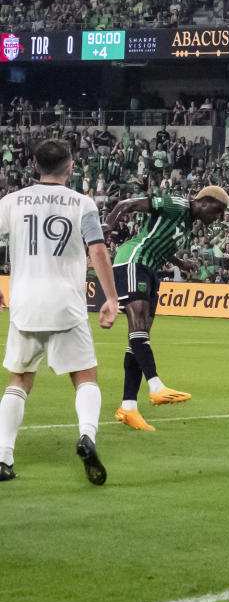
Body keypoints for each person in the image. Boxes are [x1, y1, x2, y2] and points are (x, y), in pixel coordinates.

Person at [0, 139, 120, 484]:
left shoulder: (11, 201)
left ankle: (4, 457)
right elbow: (97, 250)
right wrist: (111, 298)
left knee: (20, 380)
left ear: (35, 166)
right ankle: (86, 436)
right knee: (85, 376)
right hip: (67, 304)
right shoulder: (82, 203)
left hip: (25, 304)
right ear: (70, 166)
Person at [105, 185, 229, 431]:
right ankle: (155, 386)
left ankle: (128, 407)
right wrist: (107, 227)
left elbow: (161, 244)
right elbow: (127, 204)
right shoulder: (178, 205)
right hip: (133, 260)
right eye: (218, 211)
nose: (219, 218)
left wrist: (179, 263)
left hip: (149, 268)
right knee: (138, 326)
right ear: (204, 201)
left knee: (138, 338)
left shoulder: (188, 225)